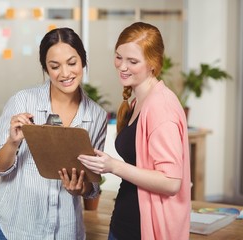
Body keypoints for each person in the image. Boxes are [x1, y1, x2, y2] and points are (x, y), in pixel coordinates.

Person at [0, 27, 107, 239]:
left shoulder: (97, 116)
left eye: (72, 63)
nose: (65, 73)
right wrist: (12, 143)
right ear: (45, 68)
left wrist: (80, 188)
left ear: (83, 61)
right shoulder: (22, 101)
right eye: (54, 66)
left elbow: (93, 184)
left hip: (65, 230)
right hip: (15, 227)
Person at [78, 22, 191, 240]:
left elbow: (171, 182)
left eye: (133, 61)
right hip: (126, 223)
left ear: (153, 64)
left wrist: (113, 166)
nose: (122, 66)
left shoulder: (161, 108)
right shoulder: (139, 101)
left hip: (144, 230)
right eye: (119, 57)